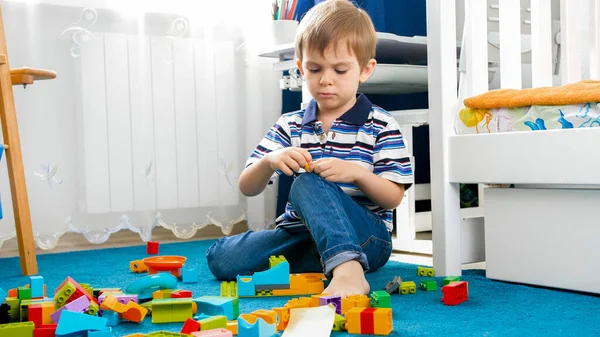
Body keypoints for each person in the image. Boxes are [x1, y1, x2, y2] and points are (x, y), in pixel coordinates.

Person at [205, 0, 413, 298]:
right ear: (301, 67)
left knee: (307, 182)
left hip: (368, 238)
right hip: (302, 235)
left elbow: (393, 198)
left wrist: (356, 174)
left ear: (365, 70)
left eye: (340, 70)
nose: (326, 79)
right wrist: (270, 162)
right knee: (221, 258)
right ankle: (326, 261)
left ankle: (349, 271)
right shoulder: (291, 124)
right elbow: (247, 186)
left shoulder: (379, 123)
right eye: (315, 69)